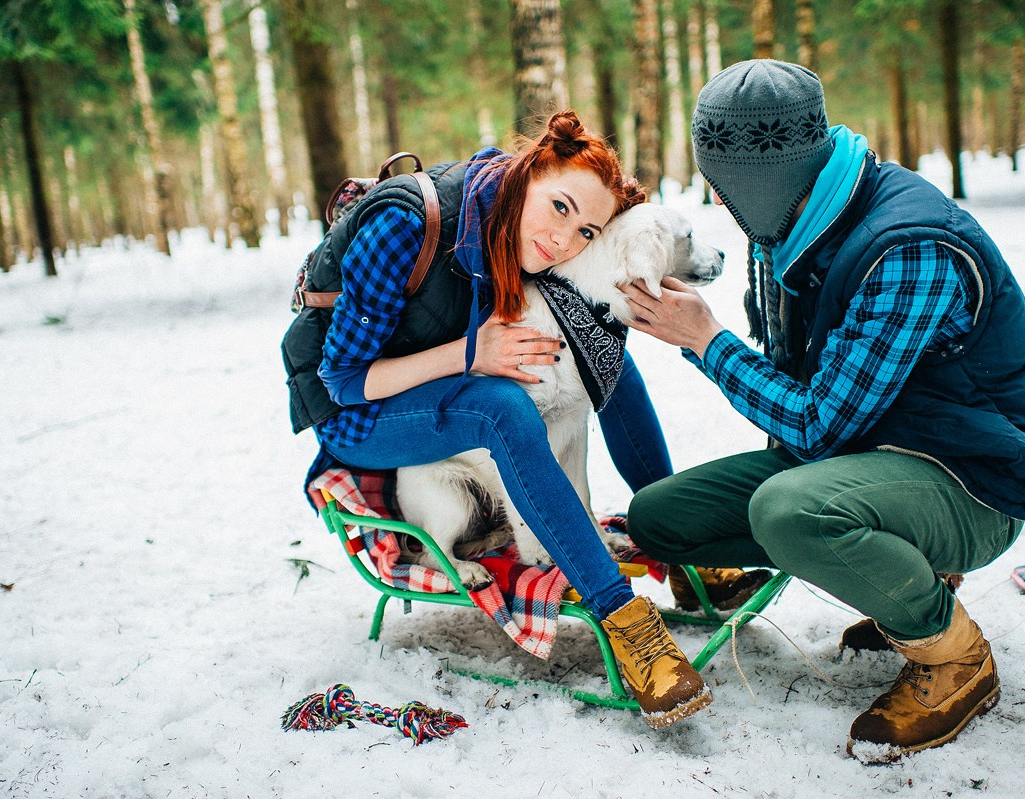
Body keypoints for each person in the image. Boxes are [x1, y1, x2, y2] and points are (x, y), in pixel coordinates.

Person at [621, 61, 1025, 759]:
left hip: (981, 477)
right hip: (886, 447)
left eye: (724, 177)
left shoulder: (907, 245)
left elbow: (815, 424)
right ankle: (906, 578)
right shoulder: (797, 223)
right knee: (660, 517)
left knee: (788, 510)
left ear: (761, 175)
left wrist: (705, 340)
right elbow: (802, 398)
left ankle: (954, 658)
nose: (717, 192)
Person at [282, 111, 710, 729]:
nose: (566, 241)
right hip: (361, 415)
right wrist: (471, 353)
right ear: (529, 172)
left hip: (441, 383)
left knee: (602, 359)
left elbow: (588, 316)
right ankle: (627, 623)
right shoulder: (405, 224)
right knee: (500, 407)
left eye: (587, 231)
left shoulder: (515, 224)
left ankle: (683, 538)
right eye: (560, 208)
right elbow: (343, 380)